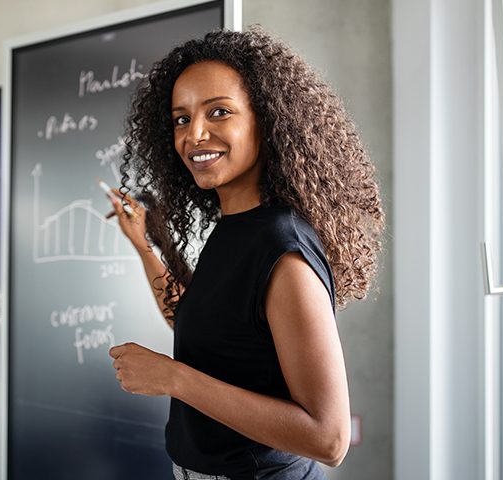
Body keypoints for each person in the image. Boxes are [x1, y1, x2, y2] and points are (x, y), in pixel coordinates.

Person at [107, 27, 383, 480]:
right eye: (181, 118)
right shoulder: (236, 227)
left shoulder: (282, 248)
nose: (194, 134)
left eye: (219, 112)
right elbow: (199, 321)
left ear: (267, 120)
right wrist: (145, 243)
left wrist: (173, 378)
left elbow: (328, 439)